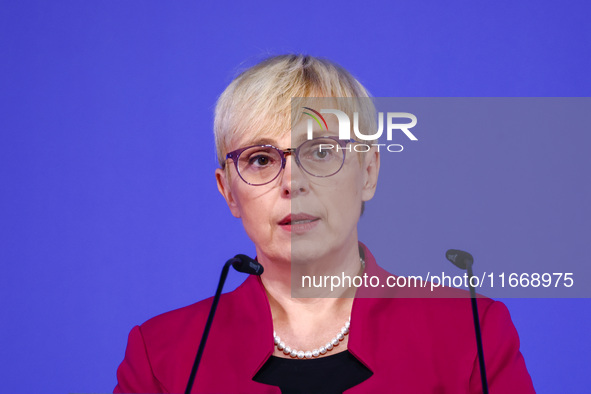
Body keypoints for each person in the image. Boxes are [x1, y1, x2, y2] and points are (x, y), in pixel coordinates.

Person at [114, 55, 535, 393]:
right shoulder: (162, 355)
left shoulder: (472, 331)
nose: (292, 182)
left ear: (368, 173)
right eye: (261, 159)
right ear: (228, 192)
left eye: (320, 152)